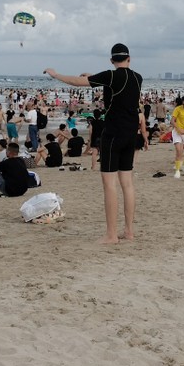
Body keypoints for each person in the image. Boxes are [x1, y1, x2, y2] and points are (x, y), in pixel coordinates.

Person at [45, 42, 146, 244]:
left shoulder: (110, 75)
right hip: (130, 134)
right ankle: (129, 231)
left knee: (109, 185)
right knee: (127, 183)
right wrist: (93, 76)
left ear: (111, 60)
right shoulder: (137, 77)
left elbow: (76, 82)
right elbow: (120, 91)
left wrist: (56, 75)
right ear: (129, 58)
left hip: (113, 134)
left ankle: (111, 235)